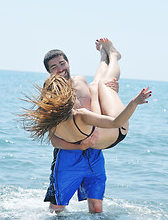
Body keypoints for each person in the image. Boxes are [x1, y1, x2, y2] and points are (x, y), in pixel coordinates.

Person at [21, 39, 152, 213]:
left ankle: (107, 56)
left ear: (68, 63)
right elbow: (54, 139)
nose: (60, 69)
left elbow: (98, 100)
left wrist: (113, 93)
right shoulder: (51, 95)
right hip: (71, 152)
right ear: (49, 73)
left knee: (96, 206)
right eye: (54, 67)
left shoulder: (79, 81)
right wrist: (79, 145)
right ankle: (111, 56)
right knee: (57, 207)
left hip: (94, 142)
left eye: (62, 63)